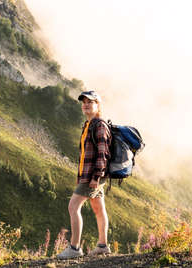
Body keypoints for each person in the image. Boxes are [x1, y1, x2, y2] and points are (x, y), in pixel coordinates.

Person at [57, 90, 112, 259]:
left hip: (93, 176)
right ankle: (103, 246)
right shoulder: (88, 124)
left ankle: (74, 248)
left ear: (98, 105)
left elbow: (103, 153)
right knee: (98, 208)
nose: (86, 104)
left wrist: (96, 176)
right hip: (88, 175)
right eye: (84, 102)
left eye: (91, 102)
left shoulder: (99, 125)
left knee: (73, 206)